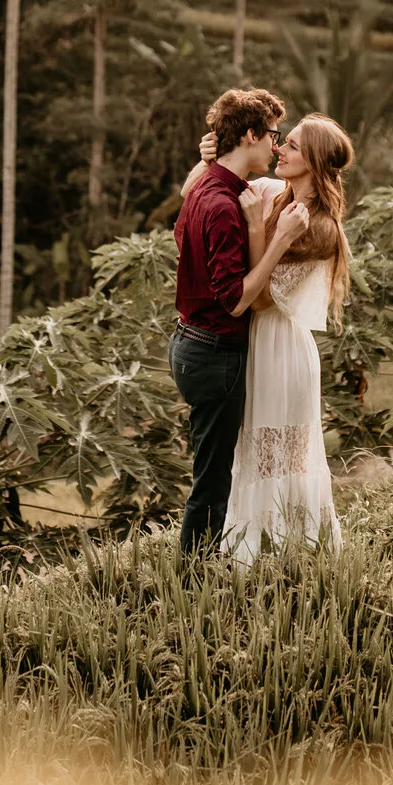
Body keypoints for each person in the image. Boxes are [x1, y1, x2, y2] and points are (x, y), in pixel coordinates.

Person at [220, 113, 352, 563]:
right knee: (262, 454)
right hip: (262, 344)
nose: (280, 150)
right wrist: (209, 160)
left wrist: (259, 230)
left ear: (312, 161)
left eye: (292, 146)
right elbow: (210, 187)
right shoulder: (279, 195)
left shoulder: (316, 227)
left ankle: (280, 557)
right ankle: (267, 553)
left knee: (278, 456)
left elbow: (259, 302)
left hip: (281, 348)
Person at [170, 87, 296, 555]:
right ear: (249, 135)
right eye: (272, 135)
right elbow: (236, 301)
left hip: (191, 342)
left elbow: (180, 230)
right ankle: (193, 579)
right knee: (212, 481)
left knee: (214, 471)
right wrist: (277, 239)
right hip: (213, 352)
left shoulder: (209, 185)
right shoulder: (224, 206)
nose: (277, 146)